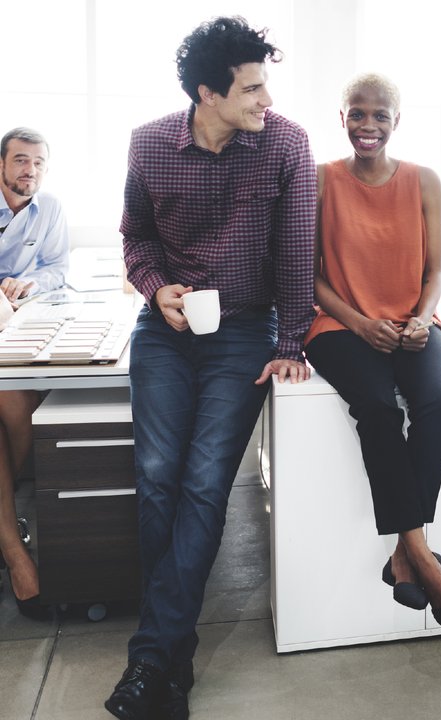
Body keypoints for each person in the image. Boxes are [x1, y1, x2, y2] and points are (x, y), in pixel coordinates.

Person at [107, 17, 316, 720]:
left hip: (245, 331)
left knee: (203, 483)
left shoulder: (286, 144)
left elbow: (295, 254)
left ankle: (149, 660)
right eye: (252, 88)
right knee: (158, 480)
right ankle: (173, 654)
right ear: (208, 93)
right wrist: (153, 287)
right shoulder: (149, 145)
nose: (266, 99)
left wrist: (291, 343)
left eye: (265, 84)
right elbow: (136, 237)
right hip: (167, 329)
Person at [302, 74, 441, 633]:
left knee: (437, 406)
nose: (367, 126)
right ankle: (421, 554)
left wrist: (421, 319)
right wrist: (358, 323)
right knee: (376, 408)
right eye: (357, 114)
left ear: (397, 121)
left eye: (379, 116)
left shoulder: (424, 180)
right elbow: (310, 276)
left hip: (413, 321)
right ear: (342, 118)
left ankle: (402, 553)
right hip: (338, 324)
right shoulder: (321, 179)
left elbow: (436, 267)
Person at [0, 126, 69, 621]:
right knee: (9, 400)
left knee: (17, 402)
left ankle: (10, 501)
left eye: (39, 162)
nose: (31, 171)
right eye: (22, 161)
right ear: (2, 164)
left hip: (18, 321)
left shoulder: (52, 210)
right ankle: (15, 553)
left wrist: (28, 281)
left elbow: (58, 268)